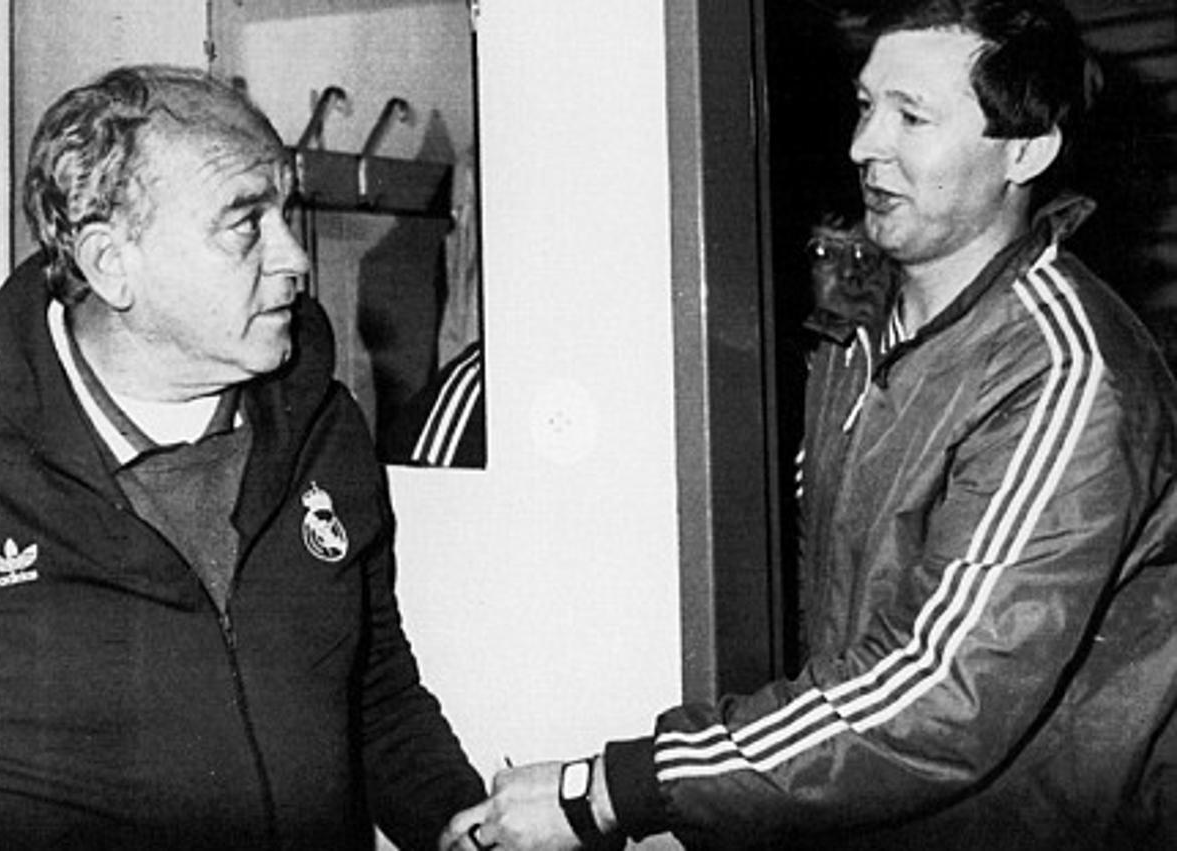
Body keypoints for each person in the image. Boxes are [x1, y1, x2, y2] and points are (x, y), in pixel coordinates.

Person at [442, 1, 1177, 849]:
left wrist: (614, 790)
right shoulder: (857, 334)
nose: (866, 144)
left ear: (1027, 149)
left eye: (913, 115)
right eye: (867, 107)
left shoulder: (1061, 372)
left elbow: (939, 698)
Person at [0, 64, 484, 850]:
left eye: (286, 212)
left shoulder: (327, 430)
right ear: (112, 264)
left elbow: (375, 689)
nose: (295, 258)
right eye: (246, 224)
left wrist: (462, 825)